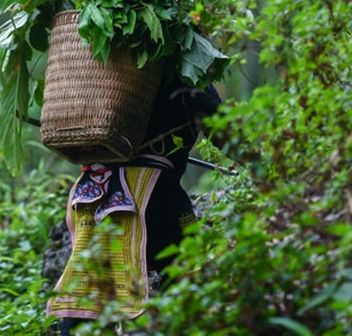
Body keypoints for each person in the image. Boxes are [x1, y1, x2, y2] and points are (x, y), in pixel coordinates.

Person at [46, 78, 221, 335]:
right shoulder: (187, 66)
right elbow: (226, 131)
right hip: (155, 192)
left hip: (91, 193)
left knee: (87, 293)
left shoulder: (103, 68)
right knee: (188, 278)